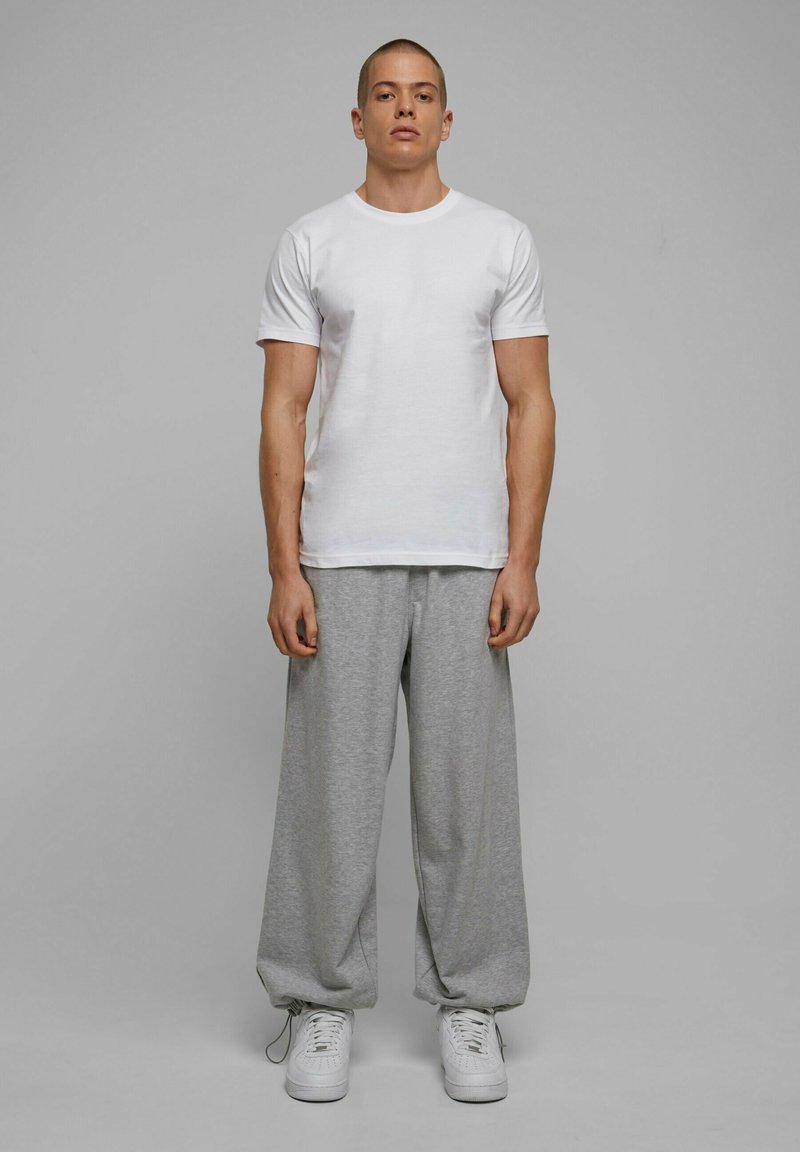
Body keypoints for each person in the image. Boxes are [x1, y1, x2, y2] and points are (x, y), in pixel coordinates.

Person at [253, 37, 555, 1104]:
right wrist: (284, 567)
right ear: (357, 118)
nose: (404, 110)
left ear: (446, 118)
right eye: (384, 94)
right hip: (341, 554)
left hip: (467, 556)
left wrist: (521, 557)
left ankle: (473, 1002)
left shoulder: (499, 240)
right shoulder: (312, 242)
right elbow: (284, 408)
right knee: (330, 796)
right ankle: (317, 1002)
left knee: (466, 797)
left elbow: (531, 402)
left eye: (422, 95)